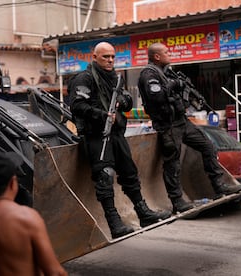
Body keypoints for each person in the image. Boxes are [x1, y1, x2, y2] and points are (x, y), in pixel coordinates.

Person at [69, 41, 171, 239]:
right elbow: (77, 106)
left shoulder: (115, 78)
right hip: (97, 136)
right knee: (105, 177)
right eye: (106, 56)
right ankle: (114, 223)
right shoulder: (84, 78)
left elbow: (127, 101)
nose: (110, 60)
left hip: (116, 134)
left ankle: (143, 213)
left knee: (130, 174)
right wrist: (102, 115)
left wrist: (121, 102)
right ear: (95, 57)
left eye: (112, 57)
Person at [137, 42, 241, 213]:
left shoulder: (166, 72)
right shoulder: (148, 74)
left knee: (207, 146)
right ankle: (177, 201)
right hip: (167, 124)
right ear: (157, 56)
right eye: (166, 52)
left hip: (182, 121)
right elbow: (156, 97)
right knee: (172, 163)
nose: (169, 54)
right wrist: (174, 85)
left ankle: (219, 185)